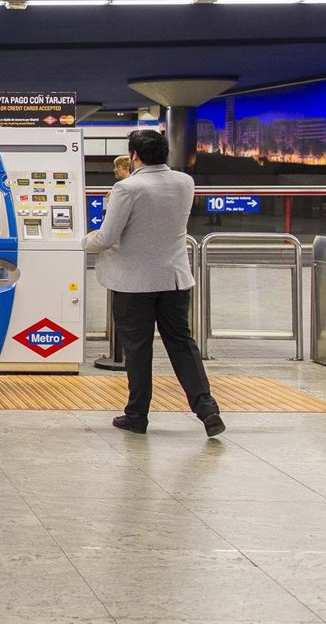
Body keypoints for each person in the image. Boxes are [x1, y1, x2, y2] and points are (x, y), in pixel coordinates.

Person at [83, 129, 225, 438]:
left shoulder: (127, 188)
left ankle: (137, 415)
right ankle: (207, 409)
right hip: (174, 278)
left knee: (138, 348)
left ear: (134, 155)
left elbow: (107, 237)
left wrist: (83, 241)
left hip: (133, 283)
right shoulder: (184, 182)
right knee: (182, 344)